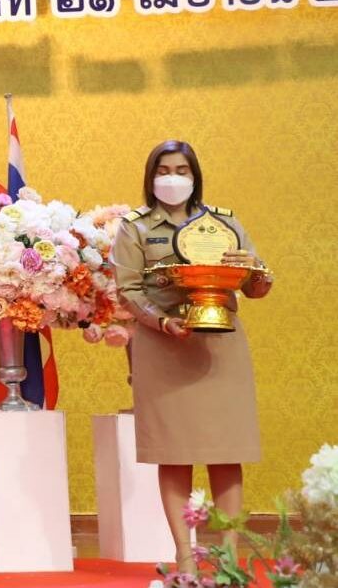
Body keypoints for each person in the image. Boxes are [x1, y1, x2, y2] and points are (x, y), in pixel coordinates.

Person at [113, 140, 271, 572]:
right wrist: (162, 322)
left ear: (195, 176)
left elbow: (256, 286)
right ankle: (185, 556)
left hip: (220, 346)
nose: (173, 178)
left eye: (181, 170)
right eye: (164, 170)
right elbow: (128, 290)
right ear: (151, 177)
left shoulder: (224, 223)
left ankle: (229, 556)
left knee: (226, 451)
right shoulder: (135, 228)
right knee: (174, 453)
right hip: (164, 346)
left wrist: (254, 267)